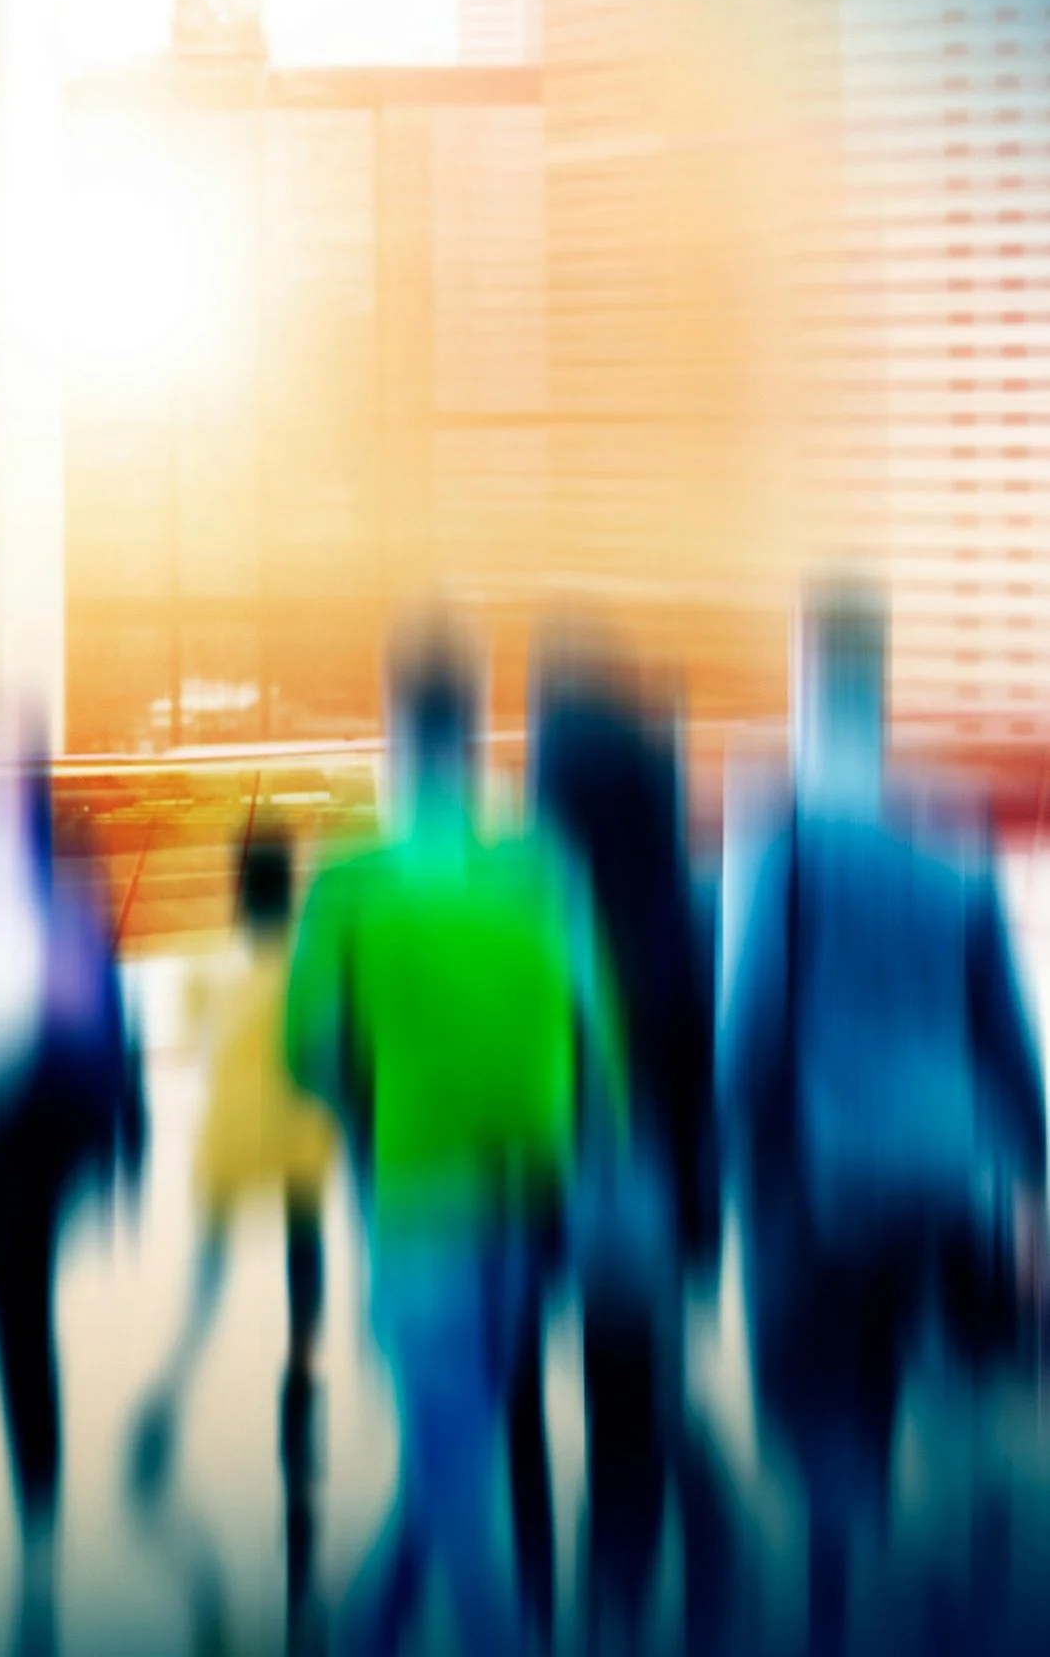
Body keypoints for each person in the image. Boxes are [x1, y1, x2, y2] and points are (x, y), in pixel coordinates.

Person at [718, 578, 1047, 1657]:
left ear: (804, 669)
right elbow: (1003, 1025)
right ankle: (972, 1598)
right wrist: (1034, 1173)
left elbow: (751, 1019)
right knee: (951, 1390)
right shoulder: (949, 822)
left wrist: (726, 1161)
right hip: (954, 1167)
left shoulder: (777, 818)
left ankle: (837, 1616)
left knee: (826, 1411)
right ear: (882, 676)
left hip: (825, 1180)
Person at [285, 615, 621, 1657]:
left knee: (457, 1466)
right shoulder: (542, 860)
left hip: (420, 1184)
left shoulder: (351, 874)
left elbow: (307, 1050)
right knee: (452, 1449)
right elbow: (598, 1039)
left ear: (394, 724)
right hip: (533, 1186)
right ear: (477, 727)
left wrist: (364, 1106)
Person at [528, 635, 736, 1654]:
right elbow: (706, 1071)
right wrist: (702, 1203)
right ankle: (630, 1583)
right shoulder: (685, 902)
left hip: (550, 1182)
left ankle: (600, 1598)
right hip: (641, 1182)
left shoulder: (531, 898)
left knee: (580, 1407)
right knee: (626, 1398)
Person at [0, 706, 143, 1649]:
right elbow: (106, 983)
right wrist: (129, 1124)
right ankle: (39, 1496)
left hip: (4, 1112)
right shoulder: (73, 853)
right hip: (58, 1108)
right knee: (19, 1298)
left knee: (13, 1301)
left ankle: (39, 1499)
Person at [127, 822, 333, 1650]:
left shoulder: (212, 968)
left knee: (207, 1280)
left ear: (238, 891)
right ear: (294, 887)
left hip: (227, 1142)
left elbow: (201, 1047)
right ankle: (303, 1369)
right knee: (305, 1258)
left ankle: (169, 1393)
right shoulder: (316, 964)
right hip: (301, 1139)